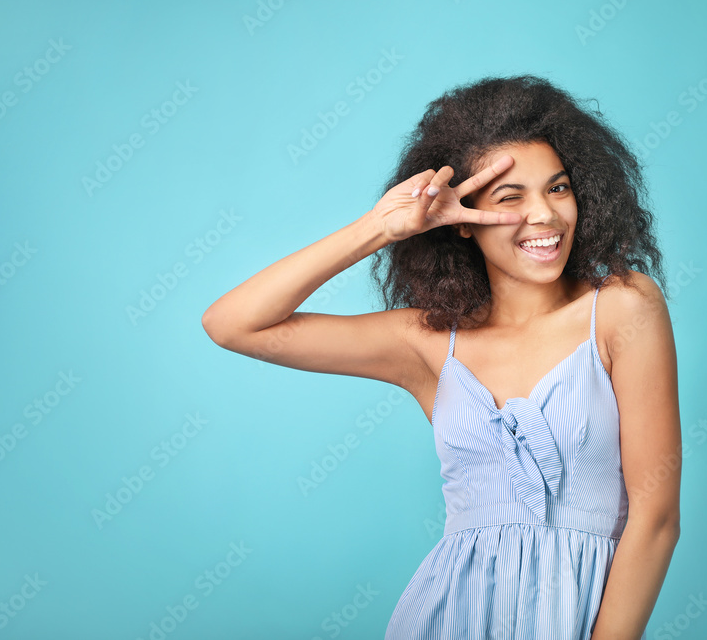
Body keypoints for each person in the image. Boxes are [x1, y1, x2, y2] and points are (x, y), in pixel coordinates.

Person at [201, 74, 681, 640]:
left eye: (558, 188)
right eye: (510, 197)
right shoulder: (428, 345)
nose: (546, 216)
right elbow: (233, 324)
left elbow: (655, 520)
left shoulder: (624, 308)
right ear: (462, 221)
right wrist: (380, 227)